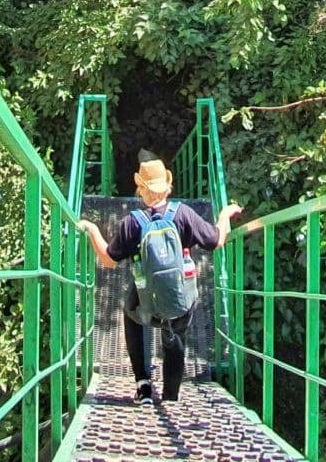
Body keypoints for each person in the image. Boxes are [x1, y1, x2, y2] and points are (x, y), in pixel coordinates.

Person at [78, 156, 243, 404]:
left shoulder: (133, 222)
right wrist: (225, 214)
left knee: (129, 311)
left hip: (145, 305)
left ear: (140, 187)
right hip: (179, 299)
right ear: (168, 185)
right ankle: (170, 396)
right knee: (177, 330)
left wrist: (92, 229)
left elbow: (109, 260)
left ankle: (143, 386)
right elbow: (217, 240)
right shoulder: (184, 214)